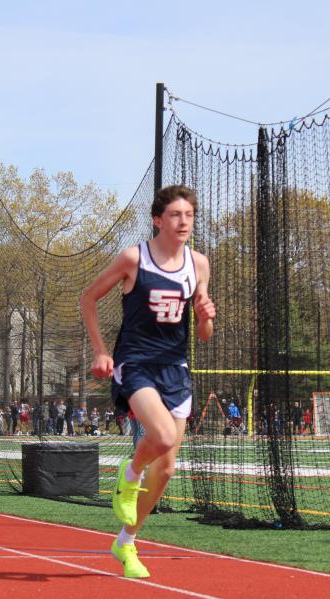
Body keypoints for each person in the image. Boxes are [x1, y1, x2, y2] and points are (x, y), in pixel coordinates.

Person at [81, 184, 215, 578]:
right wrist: (100, 351)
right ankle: (130, 474)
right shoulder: (133, 258)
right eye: (175, 215)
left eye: (189, 215)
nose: (183, 222)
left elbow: (204, 334)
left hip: (175, 368)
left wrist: (205, 315)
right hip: (136, 363)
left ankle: (125, 541)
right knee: (163, 436)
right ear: (158, 220)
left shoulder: (199, 265)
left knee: (167, 469)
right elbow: (88, 298)